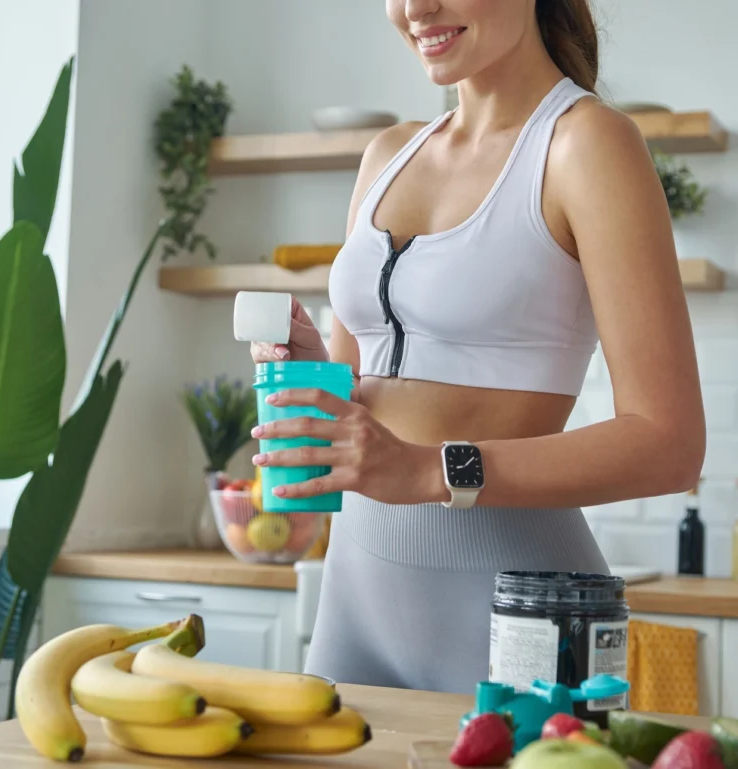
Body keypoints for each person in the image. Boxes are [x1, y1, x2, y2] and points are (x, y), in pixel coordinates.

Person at [248, 0, 705, 694]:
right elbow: (362, 405)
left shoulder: (585, 145)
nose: (413, 9)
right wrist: (315, 368)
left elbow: (670, 444)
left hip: (520, 612)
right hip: (356, 601)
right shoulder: (386, 156)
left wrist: (433, 470)